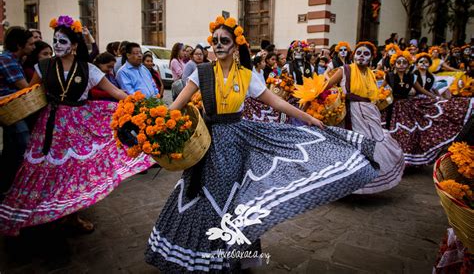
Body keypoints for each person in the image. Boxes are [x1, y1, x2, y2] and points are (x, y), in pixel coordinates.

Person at [144, 15, 379, 272]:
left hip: (235, 144)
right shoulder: (201, 74)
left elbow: (277, 103)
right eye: (215, 41)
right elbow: (175, 107)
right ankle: (194, 257)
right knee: (198, 194)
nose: (219, 45)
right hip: (205, 144)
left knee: (231, 198)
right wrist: (149, 123)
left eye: (225, 41)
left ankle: (230, 257)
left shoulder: (247, 76)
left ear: (235, 47)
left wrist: (308, 117)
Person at [0, 16, 151, 235]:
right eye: (55, 40)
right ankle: (49, 212)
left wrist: (137, 103)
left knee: (74, 172)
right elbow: (29, 94)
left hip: (79, 126)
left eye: (62, 41)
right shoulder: (43, 66)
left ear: (74, 45)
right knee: (49, 171)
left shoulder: (88, 69)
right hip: (50, 126)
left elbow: (115, 91)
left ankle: (72, 216)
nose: (57, 45)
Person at [325, 41, 405, 193]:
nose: (361, 56)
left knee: (374, 141)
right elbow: (325, 86)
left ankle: (366, 180)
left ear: (371, 58)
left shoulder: (371, 74)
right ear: (353, 55)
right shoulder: (344, 70)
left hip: (369, 112)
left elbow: (373, 95)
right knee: (353, 144)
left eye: (366, 54)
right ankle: (346, 183)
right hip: (350, 114)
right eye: (358, 53)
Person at [381, 50, 472, 166]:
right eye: (398, 62)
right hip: (392, 107)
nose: (401, 65)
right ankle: (391, 159)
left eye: (404, 62)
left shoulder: (412, 77)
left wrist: (436, 97)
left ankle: (405, 161)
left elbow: (421, 90)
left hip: (407, 106)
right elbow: (381, 89)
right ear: (394, 64)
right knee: (392, 132)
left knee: (408, 132)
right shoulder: (389, 76)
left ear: (408, 64)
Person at [0, 27, 35, 195]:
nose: (33, 47)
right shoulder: (6, 60)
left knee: (11, 149)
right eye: (30, 44)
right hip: (11, 110)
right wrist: (41, 72)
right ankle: (21, 189)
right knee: (23, 147)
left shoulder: (15, 59)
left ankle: (8, 185)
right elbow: (25, 88)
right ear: (19, 45)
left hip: (14, 109)